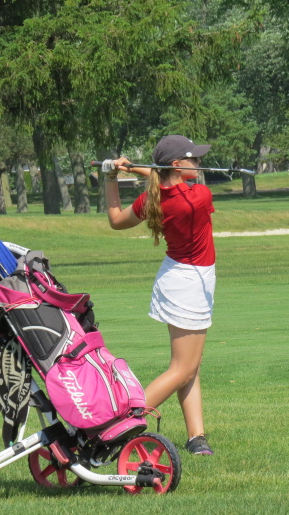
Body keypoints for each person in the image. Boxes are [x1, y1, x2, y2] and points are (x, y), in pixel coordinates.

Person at [101, 135, 216, 455]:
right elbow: (164, 179)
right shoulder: (198, 196)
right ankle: (118, 424)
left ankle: (196, 437)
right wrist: (135, 169)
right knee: (182, 368)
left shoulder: (152, 198)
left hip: (180, 279)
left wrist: (112, 177)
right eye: (194, 159)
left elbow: (116, 220)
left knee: (190, 365)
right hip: (188, 285)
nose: (199, 164)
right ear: (177, 165)